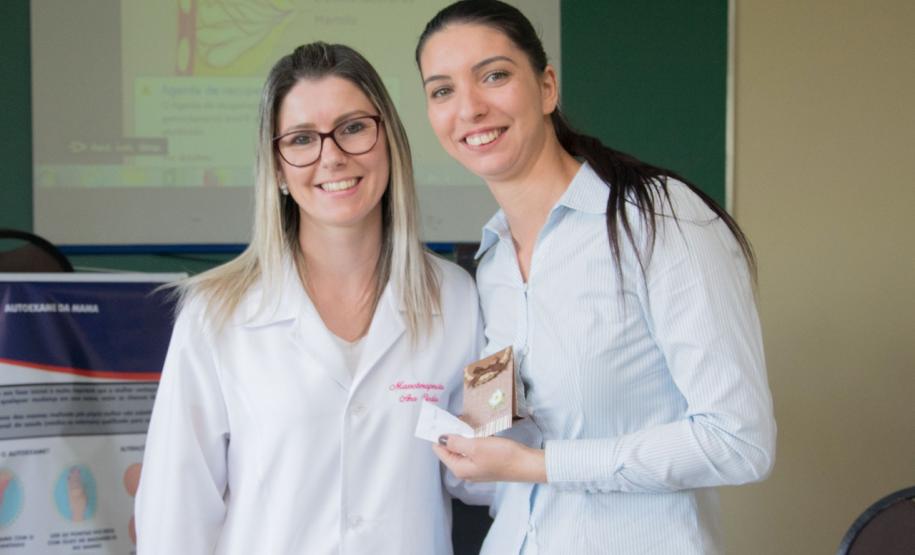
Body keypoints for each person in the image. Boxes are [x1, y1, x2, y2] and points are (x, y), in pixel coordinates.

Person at [416, 2, 777, 553]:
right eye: (442, 91)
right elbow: (504, 460)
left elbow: (738, 441)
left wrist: (543, 465)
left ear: (547, 88)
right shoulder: (489, 267)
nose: (469, 108)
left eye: (493, 75)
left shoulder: (658, 221)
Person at [134, 42, 489, 554]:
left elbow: (479, 479)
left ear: (388, 138)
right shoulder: (217, 313)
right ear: (277, 168)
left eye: (353, 128)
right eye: (302, 139)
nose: (332, 156)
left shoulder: (455, 298)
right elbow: (175, 516)